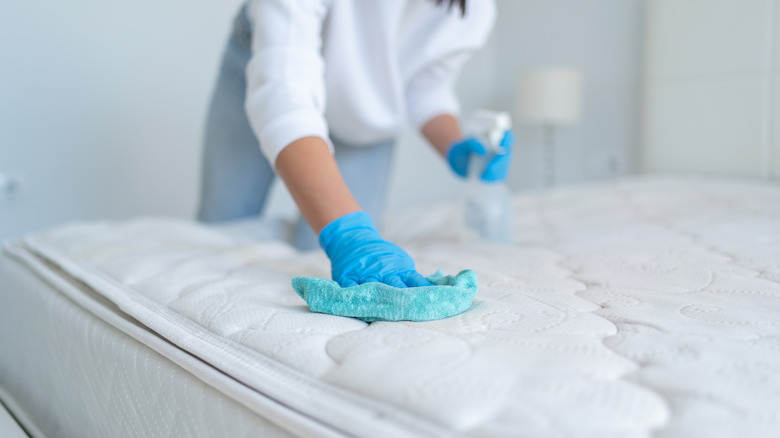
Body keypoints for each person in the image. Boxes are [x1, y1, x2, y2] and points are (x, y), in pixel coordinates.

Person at [198, 0, 512, 289]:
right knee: (221, 233)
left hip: (362, 117)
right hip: (267, 63)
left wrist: (456, 147)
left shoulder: (474, 9)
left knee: (317, 257)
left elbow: (425, 87)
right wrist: (349, 233)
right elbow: (284, 93)